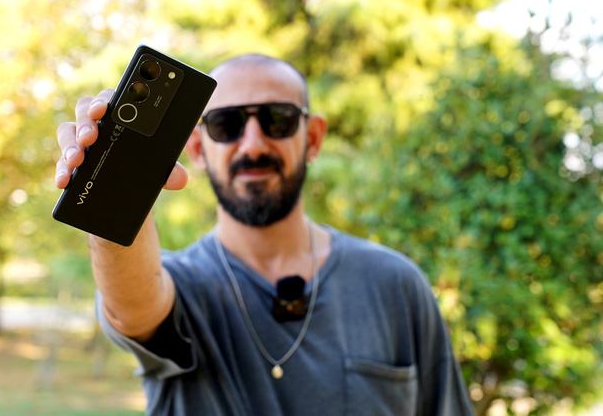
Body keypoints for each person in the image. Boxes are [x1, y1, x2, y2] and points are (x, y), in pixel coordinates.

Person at [55, 53, 475, 415]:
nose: (253, 144)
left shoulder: (395, 284)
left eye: (278, 120)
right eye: (226, 124)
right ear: (198, 149)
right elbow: (133, 307)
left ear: (313, 138)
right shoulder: (181, 288)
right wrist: (112, 183)